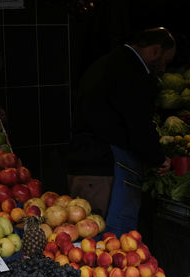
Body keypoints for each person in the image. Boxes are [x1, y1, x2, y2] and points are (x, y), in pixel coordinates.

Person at [72, 27, 175, 235]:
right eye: (164, 62)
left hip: (83, 158)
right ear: (155, 51)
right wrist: (157, 157)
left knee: (88, 233)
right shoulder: (132, 72)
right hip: (108, 162)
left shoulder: (106, 63)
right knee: (111, 238)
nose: (163, 69)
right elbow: (139, 123)